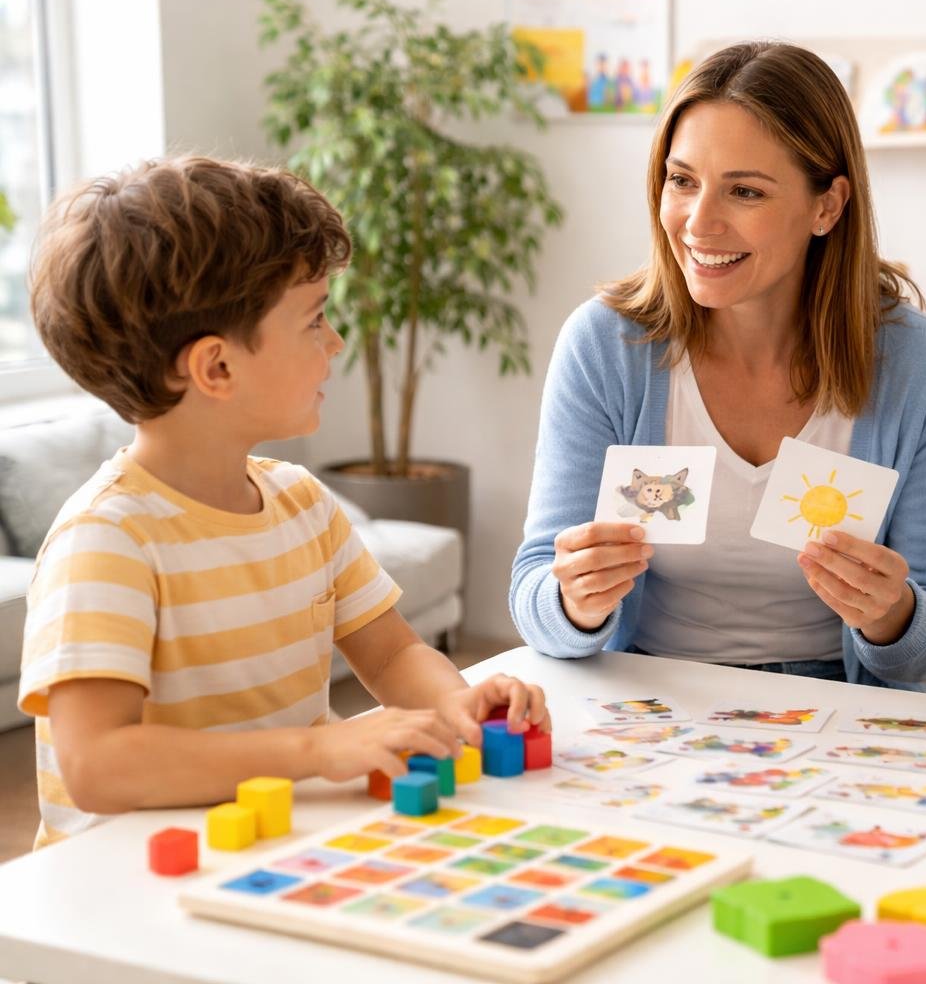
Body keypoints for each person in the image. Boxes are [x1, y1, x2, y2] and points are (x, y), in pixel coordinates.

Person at [19, 156, 548, 847]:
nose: (335, 342)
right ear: (217, 367)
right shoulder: (107, 542)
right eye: (313, 320)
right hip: (126, 890)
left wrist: (458, 703)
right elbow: (97, 767)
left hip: (267, 855)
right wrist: (318, 751)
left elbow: (391, 657)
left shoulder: (303, 504)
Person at [510, 42, 926, 689]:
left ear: (827, 206)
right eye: (682, 181)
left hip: (839, 704)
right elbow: (534, 587)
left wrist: (894, 616)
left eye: (745, 192)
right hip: (648, 694)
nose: (700, 223)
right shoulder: (605, 345)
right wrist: (572, 602)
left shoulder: (925, 368)